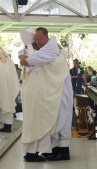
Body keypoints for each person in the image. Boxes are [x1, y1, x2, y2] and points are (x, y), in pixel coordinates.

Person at [20, 27, 73, 162]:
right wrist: (23, 54)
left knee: (61, 119)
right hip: (52, 88)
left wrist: (24, 59)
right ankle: (55, 150)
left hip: (60, 88)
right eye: (35, 40)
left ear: (46, 37)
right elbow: (27, 55)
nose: (36, 42)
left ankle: (63, 151)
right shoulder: (47, 47)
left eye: (38, 39)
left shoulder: (50, 48)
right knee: (54, 120)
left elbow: (31, 60)